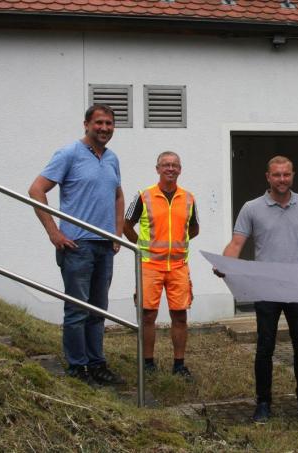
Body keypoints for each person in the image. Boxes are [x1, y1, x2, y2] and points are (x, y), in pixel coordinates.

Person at [219, 155, 298, 424]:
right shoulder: (251, 208)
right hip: (266, 290)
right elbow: (236, 244)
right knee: (265, 347)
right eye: (277, 175)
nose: (282, 179)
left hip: (297, 289)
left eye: (286, 174)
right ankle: (263, 402)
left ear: (293, 175)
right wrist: (224, 263)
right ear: (268, 177)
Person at [28, 104, 126, 386]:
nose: (104, 128)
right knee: (77, 310)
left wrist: (117, 233)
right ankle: (77, 368)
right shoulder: (69, 153)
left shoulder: (112, 159)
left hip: (104, 246)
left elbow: (118, 196)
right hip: (77, 246)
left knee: (98, 310)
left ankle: (96, 364)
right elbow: (36, 190)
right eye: (99, 123)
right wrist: (54, 233)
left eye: (109, 123)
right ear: (86, 124)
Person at [123, 151, 199, 379]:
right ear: (157, 169)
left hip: (178, 267)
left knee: (180, 316)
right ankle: (148, 363)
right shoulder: (143, 196)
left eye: (175, 165)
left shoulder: (188, 198)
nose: (170, 168)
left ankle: (179, 365)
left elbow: (194, 229)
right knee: (147, 316)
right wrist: (142, 247)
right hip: (149, 266)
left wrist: (175, 245)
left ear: (180, 169)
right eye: (166, 165)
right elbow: (126, 224)